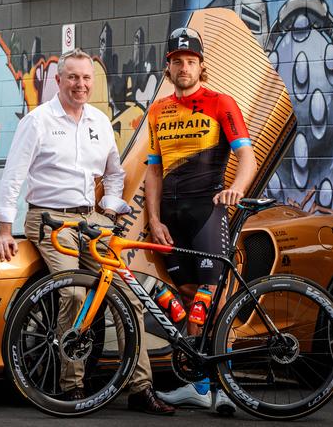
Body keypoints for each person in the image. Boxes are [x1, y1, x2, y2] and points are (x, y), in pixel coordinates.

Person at [0, 48, 175, 415]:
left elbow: (114, 173)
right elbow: (14, 176)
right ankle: (71, 387)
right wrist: (4, 229)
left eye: (86, 78)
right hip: (49, 219)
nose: (81, 84)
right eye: (73, 77)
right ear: (58, 81)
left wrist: (113, 205)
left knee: (129, 298)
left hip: (91, 219)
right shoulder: (38, 121)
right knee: (73, 293)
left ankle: (140, 388)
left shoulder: (99, 122)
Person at [145, 27, 258, 415]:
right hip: (171, 219)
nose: (184, 67)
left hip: (207, 211)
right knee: (188, 298)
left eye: (191, 61)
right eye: (177, 61)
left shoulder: (221, 102)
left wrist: (237, 190)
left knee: (212, 302)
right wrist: (154, 218)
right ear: (169, 67)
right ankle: (199, 385)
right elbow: (154, 172)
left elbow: (247, 157)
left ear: (201, 65)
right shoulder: (158, 111)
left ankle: (225, 390)